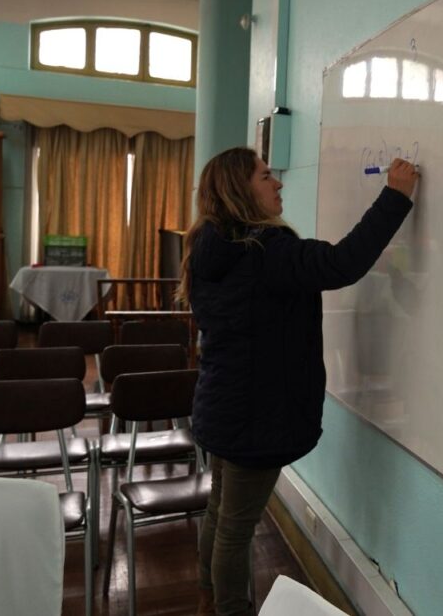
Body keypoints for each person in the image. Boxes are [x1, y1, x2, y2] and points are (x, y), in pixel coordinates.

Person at [178, 146, 418, 615]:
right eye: (265, 176)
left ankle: (208, 599)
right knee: (234, 528)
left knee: (221, 514)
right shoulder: (266, 252)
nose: (278, 183)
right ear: (240, 190)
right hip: (254, 418)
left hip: (222, 409)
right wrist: (394, 197)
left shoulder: (208, 248)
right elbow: (342, 263)